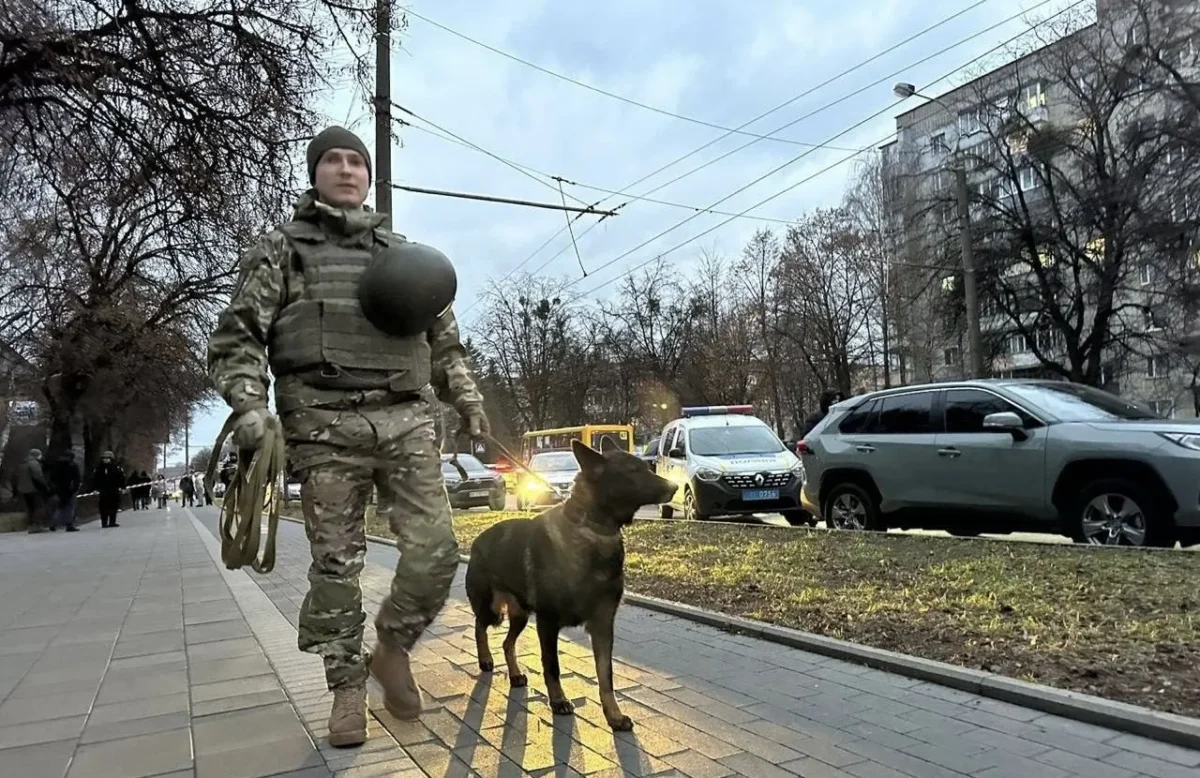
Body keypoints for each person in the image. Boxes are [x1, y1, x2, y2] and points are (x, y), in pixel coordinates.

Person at [207, 126, 488, 749]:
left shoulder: (402, 254)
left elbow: (444, 341)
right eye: (332, 160)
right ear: (315, 173)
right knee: (336, 565)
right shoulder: (283, 250)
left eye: (355, 160)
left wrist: (466, 398)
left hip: (408, 418)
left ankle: (392, 646)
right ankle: (345, 688)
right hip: (324, 424)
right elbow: (237, 338)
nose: (345, 169)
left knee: (437, 550)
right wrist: (250, 406)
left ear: (368, 175)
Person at [16, 449, 50, 534]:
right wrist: (46, 486)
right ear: (36, 455)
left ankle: (31, 526)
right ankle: (37, 525)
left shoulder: (24, 463)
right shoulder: (34, 463)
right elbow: (38, 476)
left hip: (24, 489)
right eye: (40, 455)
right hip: (34, 489)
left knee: (30, 508)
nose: (41, 457)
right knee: (38, 507)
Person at [48, 450, 81, 532]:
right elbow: (77, 478)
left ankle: (53, 523)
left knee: (60, 507)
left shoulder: (56, 464)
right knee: (70, 507)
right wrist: (75, 489)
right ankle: (69, 525)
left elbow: (52, 478)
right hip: (69, 489)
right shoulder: (73, 465)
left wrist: (54, 488)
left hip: (59, 489)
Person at [92, 451, 125, 528]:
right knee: (103, 507)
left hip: (114, 489)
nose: (105, 460)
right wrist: (95, 489)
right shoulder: (99, 468)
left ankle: (112, 522)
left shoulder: (116, 467)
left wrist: (123, 487)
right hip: (103, 490)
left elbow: (121, 478)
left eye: (107, 458)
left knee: (114, 506)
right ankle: (104, 523)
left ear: (111, 459)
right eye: (104, 458)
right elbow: (95, 479)